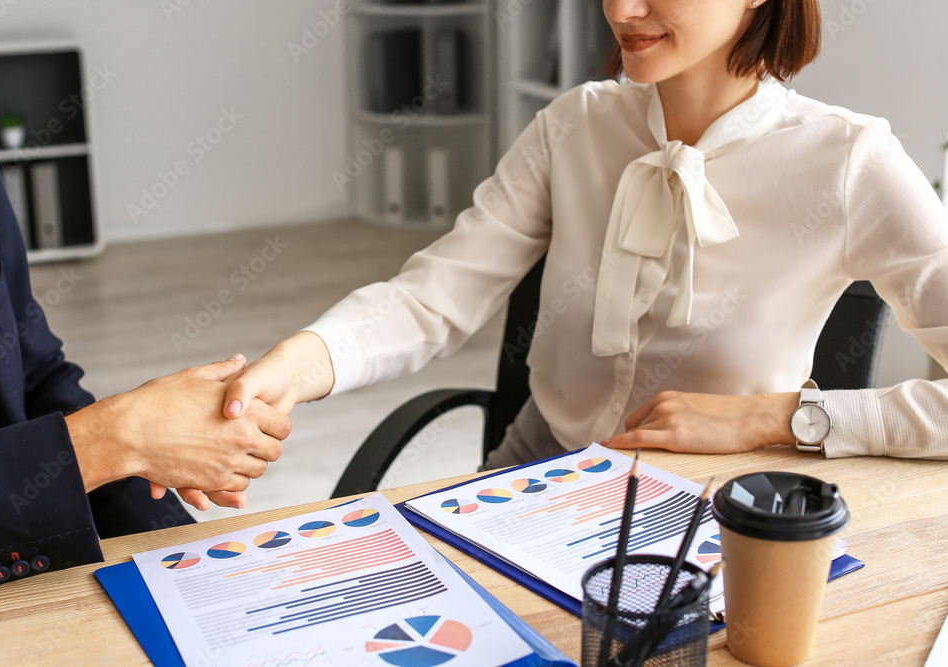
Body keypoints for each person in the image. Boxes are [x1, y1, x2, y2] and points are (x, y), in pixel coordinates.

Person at [216, 0, 948, 474]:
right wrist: (299, 362)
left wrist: (775, 415)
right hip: (530, 469)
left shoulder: (850, 162)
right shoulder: (577, 124)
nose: (623, 10)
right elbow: (433, 297)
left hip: (709, 504)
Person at [0, 99, 289, 597]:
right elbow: (100, 439)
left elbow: (34, 375)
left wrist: (180, 556)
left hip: (19, 575)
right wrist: (115, 439)